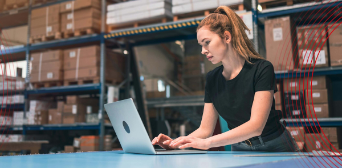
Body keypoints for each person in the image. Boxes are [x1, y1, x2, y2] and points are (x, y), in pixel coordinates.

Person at [151, 6, 299, 152]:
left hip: (276, 145)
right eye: (201, 45)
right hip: (241, 148)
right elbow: (205, 129)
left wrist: (208, 143)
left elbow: (256, 126)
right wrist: (176, 144)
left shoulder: (262, 69)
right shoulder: (212, 78)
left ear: (227, 37)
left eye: (207, 42)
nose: (203, 50)